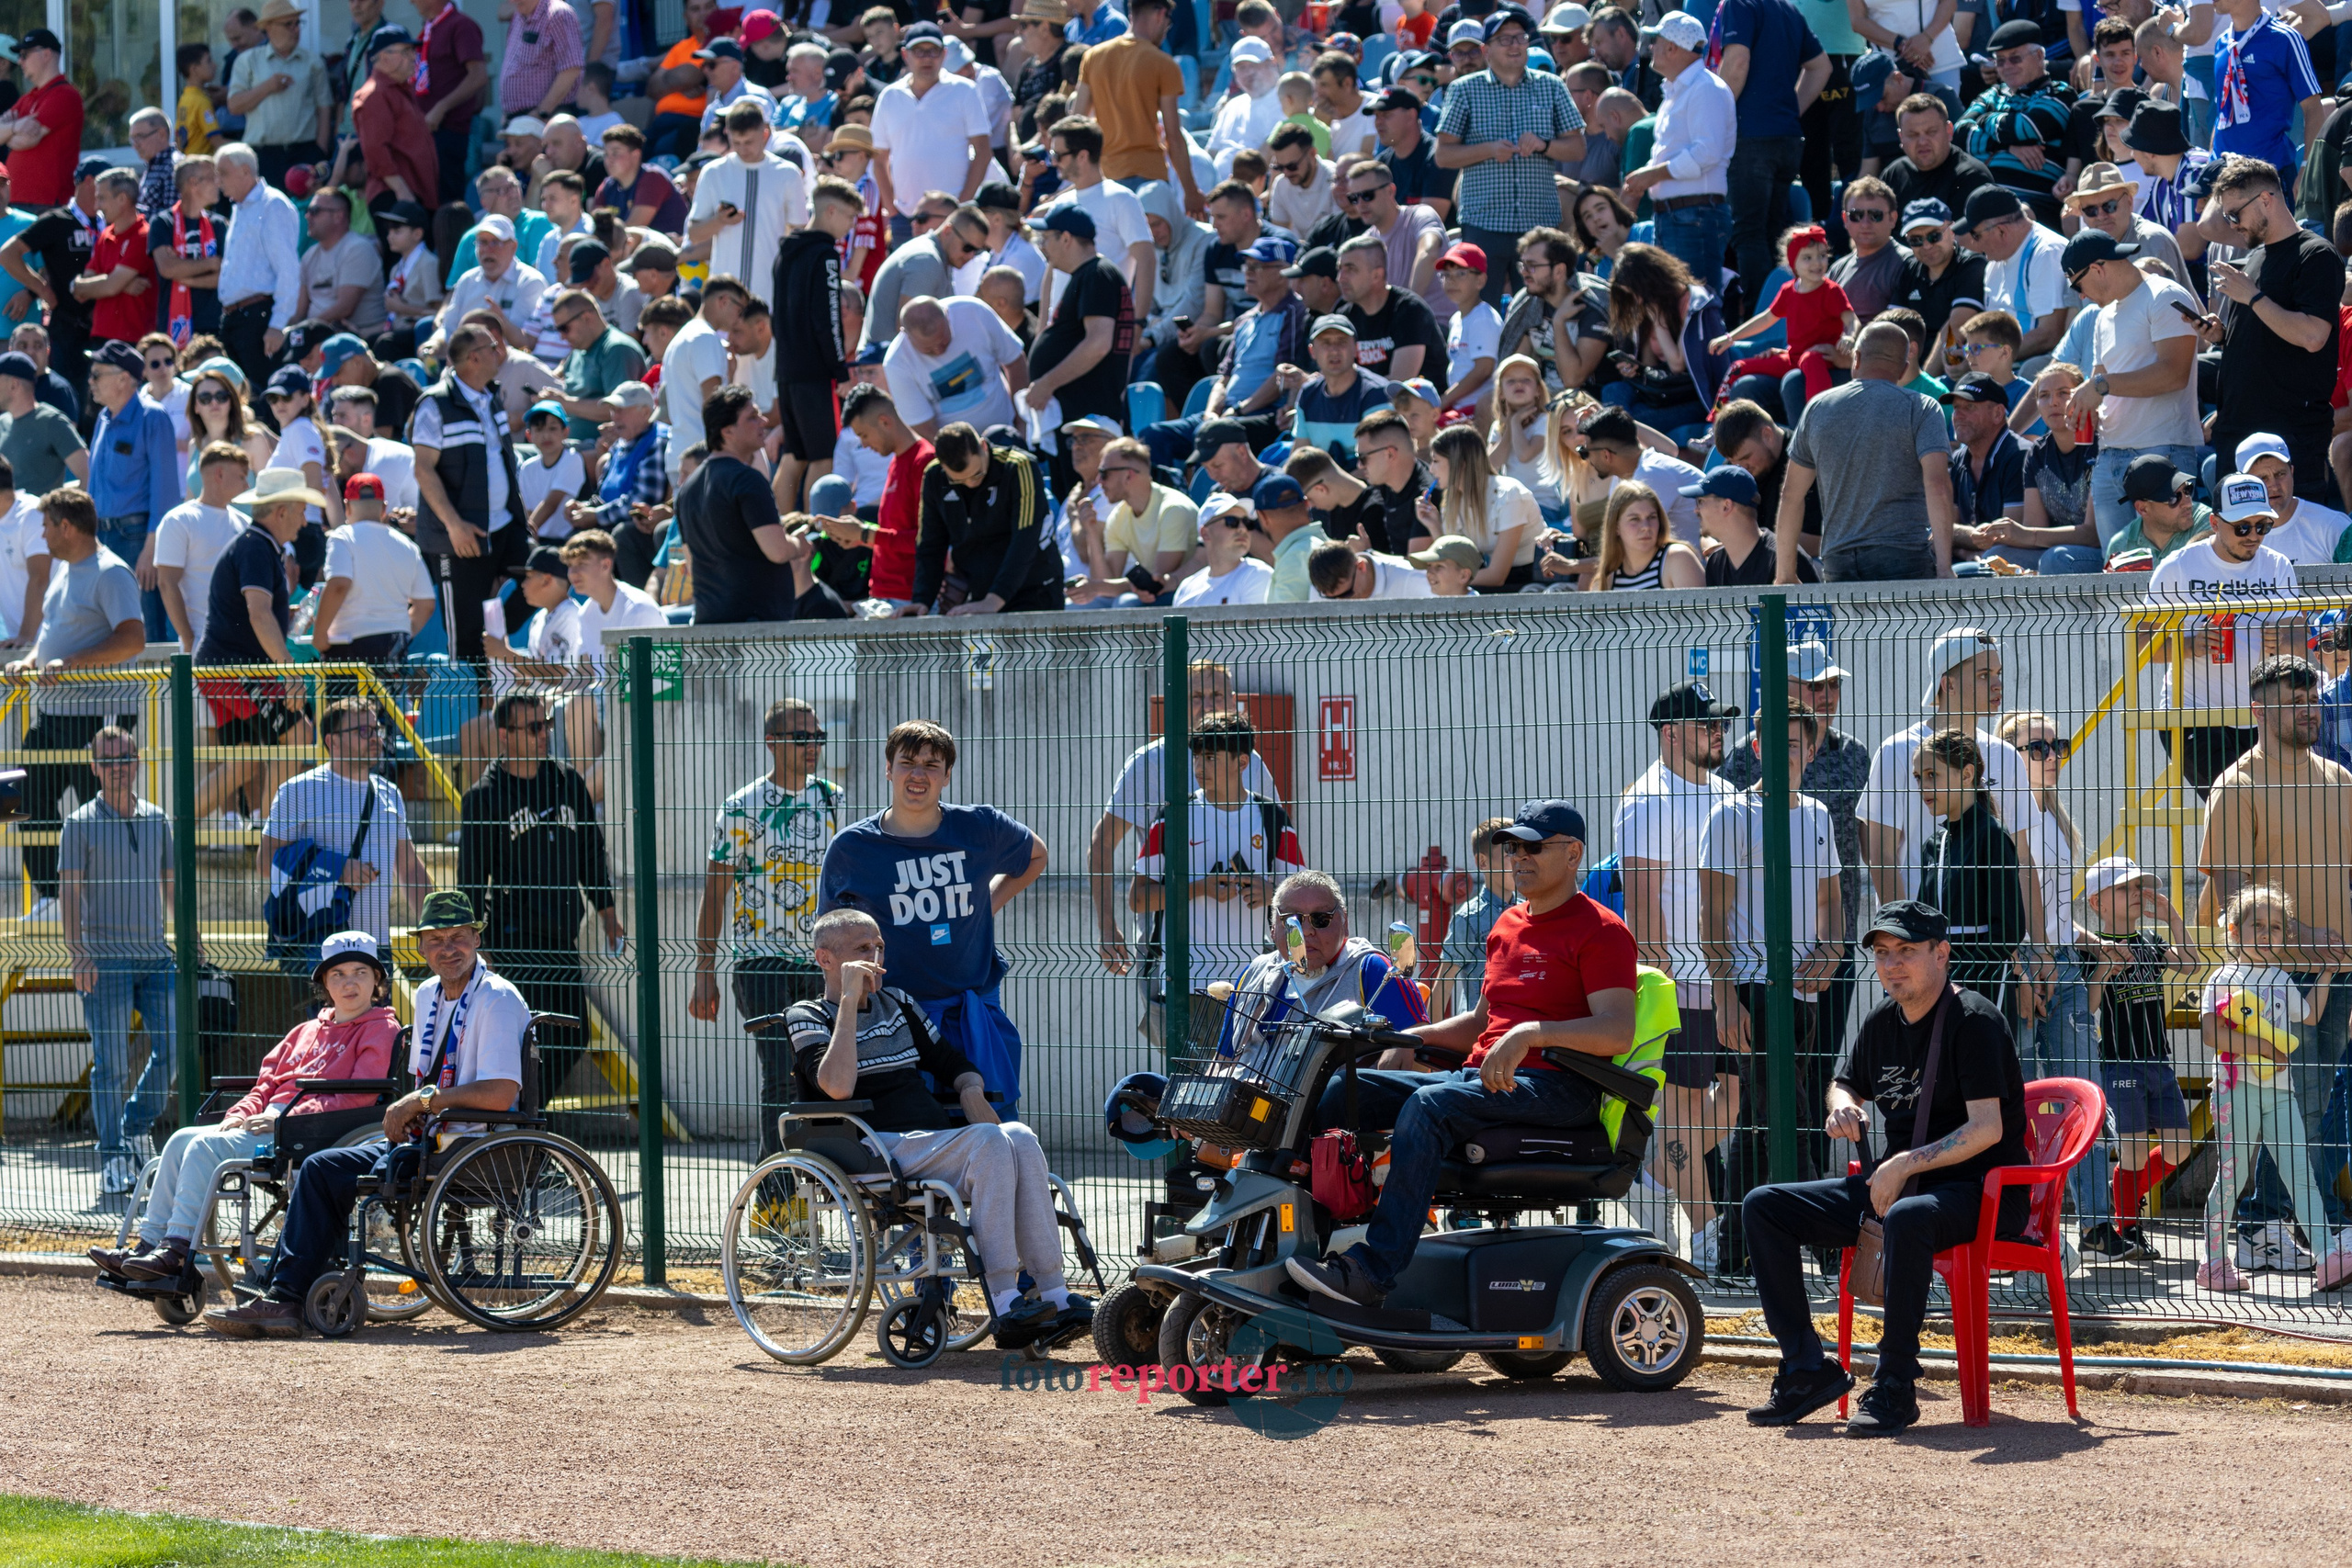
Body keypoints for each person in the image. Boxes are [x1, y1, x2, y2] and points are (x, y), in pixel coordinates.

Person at [1285, 795, 1628, 1308]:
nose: (1519, 858)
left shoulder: (1602, 930)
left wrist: (1530, 1034)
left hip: (1561, 1088)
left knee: (1428, 1106)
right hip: (1486, 1079)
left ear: (1574, 852)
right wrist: (1408, 1037)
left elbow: (1616, 1032)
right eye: (1513, 848)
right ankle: (1301, 1245)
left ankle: (1372, 1273)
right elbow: (1479, 1024)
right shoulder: (1507, 925)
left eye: (1534, 848)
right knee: (1340, 1089)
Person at [1741, 900, 2030, 1436]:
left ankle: (1896, 1382)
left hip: (1983, 1191)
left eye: (1907, 952)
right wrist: (1841, 1104)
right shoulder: (1881, 1021)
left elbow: (1987, 1127)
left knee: (1909, 1216)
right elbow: (1844, 1081)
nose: (1892, 965)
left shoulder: (1976, 1021)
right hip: (1899, 1186)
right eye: (1882, 953)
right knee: (1765, 1207)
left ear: (1942, 955)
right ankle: (1807, 1368)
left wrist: (1902, 1164)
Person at [204, 891, 523, 1337]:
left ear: (476, 939)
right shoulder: (431, 994)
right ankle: (283, 1293)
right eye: (435, 939)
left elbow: (501, 1091)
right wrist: (416, 1107)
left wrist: (421, 1103)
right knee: (320, 1167)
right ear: (422, 946)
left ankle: (283, 1295)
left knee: (333, 1168)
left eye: (458, 937)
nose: (447, 948)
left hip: (473, 1141)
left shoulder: (497, 998)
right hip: (428, 1136)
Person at [792, 906, 1094, 1348]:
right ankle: (1006, 1300)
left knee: (1019, 1136)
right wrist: (850, 1005)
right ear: (826, 959)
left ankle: (1054, 1292)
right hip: (872, 1149)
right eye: (862, 949)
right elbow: (836, 1087)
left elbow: (950, 1061)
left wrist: (970, 1087)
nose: (876, 956)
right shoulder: (806, 1016)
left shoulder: (899, 1003)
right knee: (990, 1140)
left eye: (879, 946)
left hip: (932, 1143)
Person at [89, 930, 397, 1281]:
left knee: (204, 1148)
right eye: (337, 974)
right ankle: (147, 1246)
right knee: (179, 1140)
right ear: (324, 983)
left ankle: (175, 1251)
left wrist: (285, 1120)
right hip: (272, 1122)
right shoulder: (305, 1031)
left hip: (315, 1131)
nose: (349, 983)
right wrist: (239, 1115)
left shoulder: (381, 1028)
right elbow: (264, 1084)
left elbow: (358, 1097)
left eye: (360, 972)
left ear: (377, 980)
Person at [2199, 655, 2352, 1271]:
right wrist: (2305, 935)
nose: (2307, 709)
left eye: (2312, 698)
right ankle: (2273, 1228)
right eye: (2293, 701)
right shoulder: (2237, 784)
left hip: (2331, 972)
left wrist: (2334, 950)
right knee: (2285, 1103)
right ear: (2258, 709)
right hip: (2267, 977)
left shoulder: (2341, 781)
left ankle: (2277, 1225)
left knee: (2309, 1104)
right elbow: (2232, 889)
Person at [817, 719, 1047, 1112]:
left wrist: (983, 907)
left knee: (994, 1131)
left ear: (947, 776)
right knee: (912, 1139)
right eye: (907, 762)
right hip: (893, 1020)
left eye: (931, 765)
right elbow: (829, 936)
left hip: (972, 1016)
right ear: (888, 769)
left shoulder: (980, 827)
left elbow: (1036, 855)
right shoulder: (852, 846)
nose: (918, 774)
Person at [1617, 681, 1738, 1264]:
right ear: (1670, 734)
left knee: (1735, 1103)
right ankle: (1707, 1232)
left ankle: (1653, 1169)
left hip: (1729, 977)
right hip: (1683, 978)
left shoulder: (1725, 789)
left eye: (1721, 725)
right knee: (1688, 1107)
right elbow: (1641, 899)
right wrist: (1663, 973)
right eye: (1707, 725)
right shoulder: (1647, 799)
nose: (1719, 733)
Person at [1701, 702, 1844, 1190]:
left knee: (1761, 1118)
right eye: (1775, 744)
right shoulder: (1731, 815)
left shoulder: (1819, 815)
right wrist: (1724, 998)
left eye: (1796, 745)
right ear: (1757, 747)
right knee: (1791, 1117)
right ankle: (1822, 1238)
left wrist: (1833, 951)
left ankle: (1737, 1245)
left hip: (1805, 991)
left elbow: (1831, 898)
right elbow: (1712, 913)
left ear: (1812, 750)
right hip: (1753, 990)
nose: (1786, 755)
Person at [458, 688, 619, 1111]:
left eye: (546, 724)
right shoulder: (484, 797)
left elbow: (589, 848)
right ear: (505, 735)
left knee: (572, 1032)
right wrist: (479, 944)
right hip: (515, 939)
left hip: (560, 935)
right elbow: (472, 879)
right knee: (527, 1038)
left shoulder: (567, 782)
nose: (543, 734)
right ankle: (523, 1127)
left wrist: (606, 909)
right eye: (532, 727)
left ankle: (526, 1121)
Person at [2198, 886, 2345, 1292]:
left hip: (2281, 1093)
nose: (2266, 934)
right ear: (2233, 930)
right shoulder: (2224, 977)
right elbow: (2211, 1031)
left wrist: (2327, 972)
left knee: (2301, 1175)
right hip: (2235, 1091)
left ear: (2286, 936)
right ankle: (2213, 1263)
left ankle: (2327, 1258)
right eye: (2256, 925)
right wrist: (2260, 1046)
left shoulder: (2281, 977)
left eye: (2275, 927)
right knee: (2233, 1174)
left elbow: (2311, 1016)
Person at [6, 486, 143, 919]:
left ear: (66, 526)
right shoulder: (66, 569)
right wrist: (31, 660)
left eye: (46, 526)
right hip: (52, 713)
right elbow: (54, 632)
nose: (43, 536)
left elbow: (132, 639)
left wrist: (71, 663)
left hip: (96, 720)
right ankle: (50, 899)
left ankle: (108, 906)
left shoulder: (111, 573)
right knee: (25, 800)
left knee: (100, 813)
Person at [1857, 626, 2041, 939]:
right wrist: (1906, 937)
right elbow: (1881, 855)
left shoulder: (2006, 755)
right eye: (1984, 674)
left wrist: (2039, 946)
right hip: (1922, 941)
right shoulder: (1898, 751)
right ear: (1948, 683)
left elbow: (2022, 859)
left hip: (1994, 944)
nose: (1998, 684)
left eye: (1998, 673)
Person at [59, 726, 177, 1196]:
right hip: (103, 958)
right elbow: (69, 891)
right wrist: (78, 952)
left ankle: (132, 1126)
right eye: (107, 760)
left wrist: (187, 938)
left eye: (124, 758)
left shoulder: (158, 819)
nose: (117, 767)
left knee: (171, 1049)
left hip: (154, 954)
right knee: (109, 1064)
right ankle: (112, 1156)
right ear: (94, 766)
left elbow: (171, 885)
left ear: (137, 761)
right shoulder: (79, 823)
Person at [2144, 472, 2301, 795]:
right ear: (2215, 524)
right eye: (2242, 527)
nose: (2253, 536)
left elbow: (2302, 642)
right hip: (2193, 715)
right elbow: (2139, 644)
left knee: (2267, 816)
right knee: (2235, 807)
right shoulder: (2178, 568)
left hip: (2259, 716)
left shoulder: (2277, 566)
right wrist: (2188, 646)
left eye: (2263, 526)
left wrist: (2283, 642)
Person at [1130, 707, 1303, 988]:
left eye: (1210, 758)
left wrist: (1271, 893)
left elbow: (1304, 903)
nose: (1199, 768)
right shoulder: (1172, 817)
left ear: (1242, 762)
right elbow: (1138, 899)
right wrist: (1199, 888)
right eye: (1197, 757)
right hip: (1183, 985)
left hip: (1252, 987)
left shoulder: (1274, 819)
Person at [2074, 854, 2191, 1261]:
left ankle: (2118, 1195)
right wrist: (2105, 968)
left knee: (2180, 1149)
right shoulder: (2093, 948)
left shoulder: (2151, 944)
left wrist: (2173, 918)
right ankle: (2127, 1224)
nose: (2137, 894)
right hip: (2120, 1063)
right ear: (2097, 903)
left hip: (2159, 1061)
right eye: (2124, 888)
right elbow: (2087, 1007)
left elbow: (2190, 965)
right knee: (2135, 1153)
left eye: (2138, 887)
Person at [2202, 157, 2341, 494]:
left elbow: (2312, 336)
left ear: (2266, 199)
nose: (2232, 224)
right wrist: (2221, 336)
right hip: (2238, 433)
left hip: (2288, 440)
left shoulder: (2316, 254)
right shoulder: (2255, 258)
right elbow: (2265, 338)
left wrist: (2252, 297)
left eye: (2236, 214)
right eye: (2227, 216)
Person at [1776, 321, 1955, 581]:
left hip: (1838, 560)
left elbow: (1791, 495)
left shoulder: (1817, 408)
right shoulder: (1923, 407)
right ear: (1904, 368)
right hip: (1904, 556)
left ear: (1857, 358)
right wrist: (1944, 567)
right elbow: (1938, 485)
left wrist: (1785, 574)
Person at [1434, 6, 1587, 303]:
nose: (1515, 45)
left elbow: (1578, 147)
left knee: (1540, 312)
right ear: (1485, 49)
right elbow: (1443, 155)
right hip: (1483, 224)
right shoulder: (1464, 90)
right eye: (1505, 39)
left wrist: (1544, 144)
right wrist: (1488, 150)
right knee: (1482, 309)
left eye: (1520, 37)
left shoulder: (1552, 86)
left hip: (1538, 223)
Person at [258, 694, 433, 952]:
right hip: (315, 945)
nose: (375, 738)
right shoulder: (297, 791)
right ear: (333, 741)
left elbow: (409, 868)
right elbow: (266, 862)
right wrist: (336, 868)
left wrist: (435, 925)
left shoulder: (390, 792)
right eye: (363, 731)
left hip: (375, 948)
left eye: (377, 729)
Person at [412, 323, 531, 667]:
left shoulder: (491, 397)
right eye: (494, 346)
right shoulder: (435, 405)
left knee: (544, 573)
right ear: (475, 358)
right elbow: (423, 469)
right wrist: (454, 525)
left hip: (504, 527)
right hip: (458, 538)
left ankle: (490, 638)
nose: (501, 351)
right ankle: (474, 712)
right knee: (462, 637)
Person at [676, 383, 815, 625]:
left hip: (709, 626)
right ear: (727, 431)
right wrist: (798, 544)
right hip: (754, 630)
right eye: (752, 417)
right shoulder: (747, 479)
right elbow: (778, 550)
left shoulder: (686, 490)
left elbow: (691, 562)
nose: (763, 421)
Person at [1912, 728, 2030, 1010]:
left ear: (1966, 775)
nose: (1924, 787)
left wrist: (1958, 966)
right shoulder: (1934, 844)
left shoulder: (1991, 835)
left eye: (1932, 775)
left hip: (1983, 990)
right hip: (1938, 987)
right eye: (1919, 778)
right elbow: (1922, 920)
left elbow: (2010, 928)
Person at [1616, 12, 1733, 293]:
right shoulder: (1682, 90)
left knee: (1697, 309)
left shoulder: (1705, 88)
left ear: (1672, 47)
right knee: (1678, 309)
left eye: (1655, 40)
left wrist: (1652, 174)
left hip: (1693, 217)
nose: (1650, 47)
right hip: (1678, 217)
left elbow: (1707, 153)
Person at [914, 421, 1062, 615]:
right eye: (958, 481)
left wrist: (994, 600)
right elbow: (930, 544)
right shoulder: (934, 476)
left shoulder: (1018, 467)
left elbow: (1025, 541)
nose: (970, 485)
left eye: (977, 474)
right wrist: (922, 600)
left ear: (983, 446)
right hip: (980, 595)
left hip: (1033, 591)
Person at [83, 343, 177, 643]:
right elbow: (94, 487)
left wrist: (151, 551)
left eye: (97, 374)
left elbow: (166, 492)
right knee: (107, 629)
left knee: (145, 630)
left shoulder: (153, 417)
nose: (90, 381)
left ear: (124, 379)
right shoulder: (103, 418)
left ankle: (159, 693)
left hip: (137, 540)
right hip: (102, 538)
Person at [870, 23, 992, 239]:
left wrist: (961, 205)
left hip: (952, 219)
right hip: (905, 219)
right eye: (919, 51)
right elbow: (879, 159)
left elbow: (983, 152)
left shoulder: (965, 91)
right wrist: (893, 208)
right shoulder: (889, 96)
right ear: (905, 55)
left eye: (933, 51)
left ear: (944, 54)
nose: (926, 58)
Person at [688, 100, 809, 313]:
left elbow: (799, 232)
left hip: (770, 291)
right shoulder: (713, 172)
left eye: (749, 142)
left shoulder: (788, 174)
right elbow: (695, 234)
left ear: (765, 133)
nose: (743, 149)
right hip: (723, 296)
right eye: (737, 142)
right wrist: (719, 221)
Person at [1024, 205, 1135, 434]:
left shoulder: (1097, 275)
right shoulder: (1089, 274)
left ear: (1066, 239)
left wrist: (1047, 384)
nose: (1043, 247)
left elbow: (1098, 344)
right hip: (1078, 417)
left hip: (1089, 420)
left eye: (1045, 239)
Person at [1956, 20, 2073, 226]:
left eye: (2015, 59)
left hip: (2036, 205)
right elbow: (1959, 134)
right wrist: (2007, 147)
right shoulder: (1992, 94)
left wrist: (1983, 119)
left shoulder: (2060, 93)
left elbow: (2024, 127)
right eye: (2000, 61)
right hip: (1982, 198)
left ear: (2039, 56)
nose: (2006, 67)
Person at [312, 473, 435, 667]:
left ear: (347, 506)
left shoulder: (342, 537)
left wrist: (319, 636)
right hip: (395, 643)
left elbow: (338, 584)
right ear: (384, 508)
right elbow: (426, 604)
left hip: (348, 644)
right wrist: (403, 629)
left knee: (348, 699)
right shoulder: (408, 546)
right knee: (387, 698)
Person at [211, 144, 302, 389]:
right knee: (240, 399)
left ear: (244, 171)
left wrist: (277, 325)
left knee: (262, 396)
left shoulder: (272, 205)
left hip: (258, 319)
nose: (217, 180)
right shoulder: (242, 207)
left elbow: (288, 269)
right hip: (235, 318)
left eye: (223, 173)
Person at [154, 443, 249, 655]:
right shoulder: (178, 520)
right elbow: (167, 583)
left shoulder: (245, 523)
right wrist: (188, 639)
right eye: (242, 477)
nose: (247, 486)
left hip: (245, 646)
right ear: (219, 474)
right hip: (203, 647)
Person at [226, 0, 330, 188]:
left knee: (307, 214)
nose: (295, 29)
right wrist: (267, 87)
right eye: (288, 24)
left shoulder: (312, 62)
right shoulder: (247, 61)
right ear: (268, 28)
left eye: (298, 23)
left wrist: (320, 150)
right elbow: (234, 105)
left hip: (304, 152)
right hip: (263, 155)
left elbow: (324, 107)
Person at [413, 0, 492, 204]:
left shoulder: (461, 25)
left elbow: (478, 76)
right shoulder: (429, 28)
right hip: (426, 134)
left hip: (448, 133)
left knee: (447, 205)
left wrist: (441, 107)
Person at [350, 27, 435, 212]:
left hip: (414, 194)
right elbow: (376, 150)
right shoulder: (374, 94)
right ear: (383, 56)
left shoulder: (399, 89)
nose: (414, 57)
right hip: (396, 197)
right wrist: (402, 192)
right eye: (406, 51)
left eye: (413, 51)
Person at [1687, 466, 1815, 586]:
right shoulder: (1716, 563)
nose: (1696, 510)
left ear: (1726, 506)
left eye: (1700, 502)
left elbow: (1817, 609)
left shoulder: (1786, 561)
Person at [2236, 432, 2350, 566]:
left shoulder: (2333, 526)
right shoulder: (2232, 537)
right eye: (2263, 478)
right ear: (2243, 483)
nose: (2274, 486)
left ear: (2292, 472)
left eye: (2280, 474)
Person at [0, 29, 80, 209]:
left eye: (25, 55)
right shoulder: (28, 98)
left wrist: (8, 133)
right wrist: (16, 127)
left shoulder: (65, 95)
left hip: (47, 203)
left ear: (46, 54)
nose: (20, 61)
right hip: (18, 200)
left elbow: (29, 139)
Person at [1883, 92, 1993, 219]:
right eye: (1913, 135)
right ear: (1901, 138)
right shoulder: (1893, 175)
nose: (1923, 142)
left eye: (1931, 132)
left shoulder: (1973, 177)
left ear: (1949, 131)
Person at [1585, 479, 1702, 590]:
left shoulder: (1678, 558)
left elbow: (1700, 611)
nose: (1646, 527)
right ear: (1616, 527)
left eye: (1652, 517)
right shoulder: (1605, 581)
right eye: (1635, 519)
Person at [0, 352, 85, 498]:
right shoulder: (2, 422)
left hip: (41, 519)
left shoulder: (52, 422)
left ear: (14, 384)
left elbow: (88, 473)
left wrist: (64, 517)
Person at [1170, 493, 1272, 605]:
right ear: (1205, 533)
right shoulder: (1186, 588)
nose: (1242, 529)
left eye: (1247, 522)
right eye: (1231, 521)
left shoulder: (1258, 574)